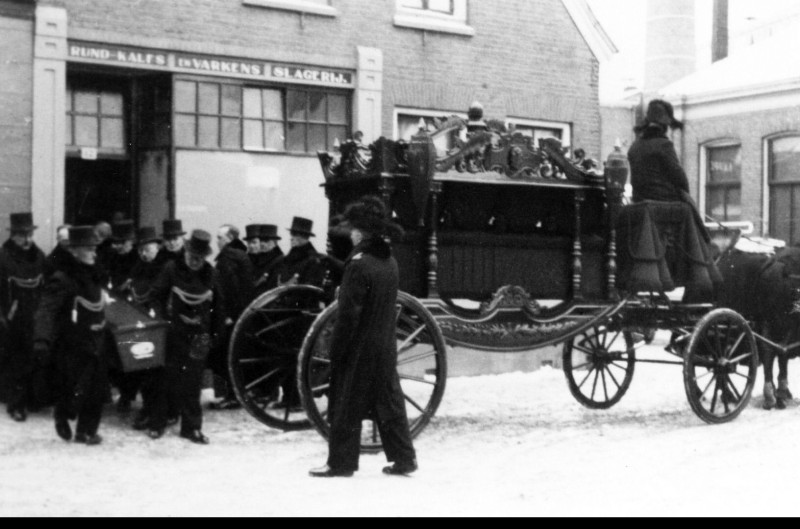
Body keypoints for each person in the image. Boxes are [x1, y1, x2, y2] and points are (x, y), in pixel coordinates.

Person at [309, 197, 417, 478]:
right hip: (385, 345)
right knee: (390, 402)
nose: (351, 234)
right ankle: (405, 459)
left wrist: (338, 349)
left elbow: (349, 316)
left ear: (360, 233)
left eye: (354, 230)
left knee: (345, 403)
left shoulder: (358, 265)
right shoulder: (390, 262)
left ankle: (340, 463)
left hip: (359, 348)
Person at [146, 230, 225, 444]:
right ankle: (157, 424)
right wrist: (162, 321)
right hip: (174, 333)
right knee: (165, 380)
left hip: (200, 336)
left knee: (193, 382)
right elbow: (155, 296)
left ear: (205, 257)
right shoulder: (171, 268)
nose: (195, 262)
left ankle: (192, 428)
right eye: (192, 257)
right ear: (186, 252)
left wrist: (215, 336)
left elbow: (218, 307)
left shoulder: (211, 274)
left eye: (199, 258)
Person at [33, 226, 108, 445]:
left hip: (97, 338)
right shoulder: (63, 278)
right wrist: (41, 339)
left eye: (95, 248)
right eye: (88, 249)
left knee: (97, 388)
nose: (94, 253)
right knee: (71, 387)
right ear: (74, 251)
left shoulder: (96, 273)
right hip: (73, 342)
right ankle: (62, 414)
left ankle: (86, 431)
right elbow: (46, 309)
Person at [0, 213, 46, 422]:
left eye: (29, 234)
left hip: (35, 314)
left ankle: (33, 398)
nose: (26, 240)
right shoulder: (3, 257)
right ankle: (16, 404)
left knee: (35, 357)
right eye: (21, 235)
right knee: (16, 361)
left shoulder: (39, 256)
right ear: (13, 235)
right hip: (12, 317)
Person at [209, 224, 253, 410]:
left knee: (225, 355)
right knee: (231, 355)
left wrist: (229, 315)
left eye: (220, 238)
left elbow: (231, 289)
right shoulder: (240, 254)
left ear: (229, 239)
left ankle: (232, 396)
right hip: (240, 314)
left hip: (230, 316)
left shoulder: (228, 257)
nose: (217, 241)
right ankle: (233, 395)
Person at [127, 226, 165, 431]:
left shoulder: (166, 267)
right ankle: (148, 410)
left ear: (157, 247)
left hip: (161, 326)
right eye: (140, 249)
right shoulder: (137, 269)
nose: (143, 253)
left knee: (159, 373)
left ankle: (161, 414)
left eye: (147, 249)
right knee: (144, 371)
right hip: (142, 325)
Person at [250, 224, 284, 297]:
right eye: (261, 240)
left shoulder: (280, 260)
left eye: (266, 240)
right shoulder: (256, 259)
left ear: (274, 242)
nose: (262, 243)